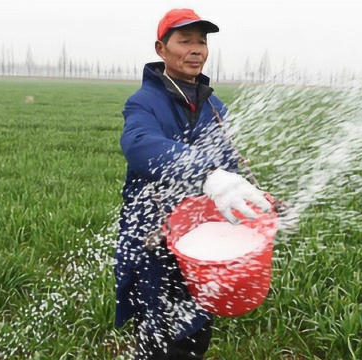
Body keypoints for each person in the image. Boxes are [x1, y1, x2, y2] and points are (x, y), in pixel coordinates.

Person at [115, 8, 274, 360]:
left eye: (201, 42)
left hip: (201, 240)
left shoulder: (214, 106)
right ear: (161, 49)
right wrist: (207, 174)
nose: (196, 49)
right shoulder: (144, 102)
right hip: (154, 236)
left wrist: (256, 200)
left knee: (197, 330)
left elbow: (228, 166)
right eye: (185, 41)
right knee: (159, 336)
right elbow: (139, 144)